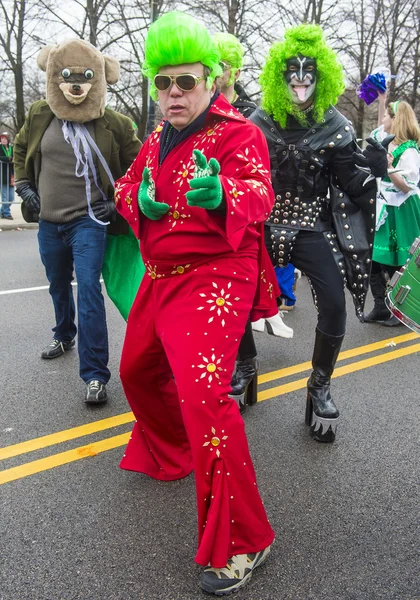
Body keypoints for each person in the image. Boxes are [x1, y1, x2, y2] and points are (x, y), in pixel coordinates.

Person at [115, 12, 275, 595]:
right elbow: (124, 187)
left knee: (206, 398)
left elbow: (260, 194)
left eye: (186, 82)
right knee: (135, 369)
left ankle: (243, 541)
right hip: (161, 275)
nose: (173, 93)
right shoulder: (156, 138)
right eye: (163, 82)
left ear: (210, 81)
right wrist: (144, 200)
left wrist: (223, 192)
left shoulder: (239, 134)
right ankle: (177, 450)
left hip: (213, 275)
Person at [249, 24, 390, 442]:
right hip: (264, 221)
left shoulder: (336, 125)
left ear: (321, 75)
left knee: (334, 302)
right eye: (292, 70)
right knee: (234, 295)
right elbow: (242, 171)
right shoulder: (258, 120)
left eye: (309, 70)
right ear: (280, 74)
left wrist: (376, 174)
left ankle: (320, 383)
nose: (300, 77)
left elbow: (351, 180)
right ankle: (243, 365)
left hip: (312, 225)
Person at [14, 40, 141, 404]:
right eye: (66, 76)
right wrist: (24, 187)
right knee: (57, 284)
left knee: (88, 290)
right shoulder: (41, 114)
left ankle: (95, 375)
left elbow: (140, 168)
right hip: (49, 222)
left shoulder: (113, 124)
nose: (74, 84)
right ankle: (63, 332)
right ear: (56, 75)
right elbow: (21, 149)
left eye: (84, 77)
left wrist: (116, 205)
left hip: (89, 222)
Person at [212, 32, 293, 412]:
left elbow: (268, 166)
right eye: (212, 64)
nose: (217, 72)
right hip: (211, 216)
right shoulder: (201, 109)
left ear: (236, 70)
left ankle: (245, 363)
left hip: (248, 216)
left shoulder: (252, 113)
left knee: (240, 297)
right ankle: (236, 362)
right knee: (217, 298)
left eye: (223, 65)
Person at [364, 95, 420, 325]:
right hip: (384, 207)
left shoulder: (409, 151)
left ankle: (398, 309)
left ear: (396, 120)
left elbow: (407, 185)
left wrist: (387, 167)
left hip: (402, 210)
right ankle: (380, 306)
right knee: (374, 258)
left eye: (387, 115)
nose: (383, 119)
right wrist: (382, 99)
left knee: (398, 259)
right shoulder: (386, 140)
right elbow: (377, 134)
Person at [0, 131, 14, 219]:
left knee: (11, 197)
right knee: (5, 196)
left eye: (5, 138)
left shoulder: (11, 148)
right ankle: (6, 213)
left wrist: (11, 159)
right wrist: (7, 159)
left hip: (11, 175)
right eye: (2, 138)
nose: (3, 140)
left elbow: (15, 157)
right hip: (2, 175)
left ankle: (2, 211)